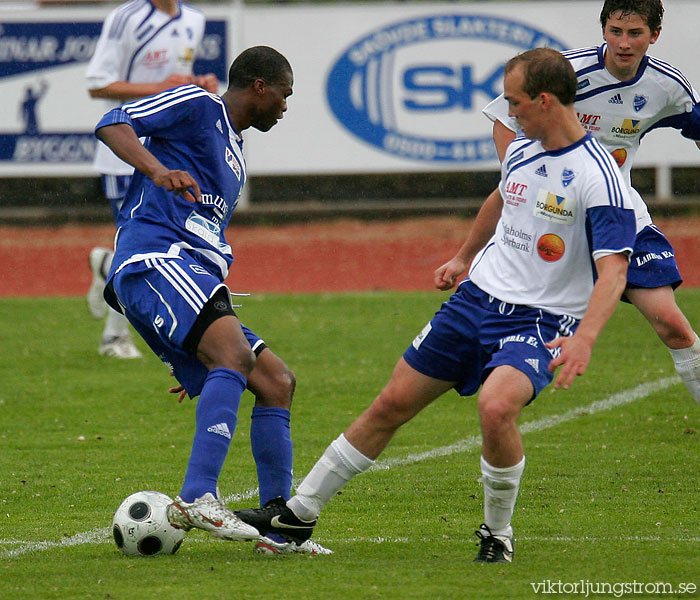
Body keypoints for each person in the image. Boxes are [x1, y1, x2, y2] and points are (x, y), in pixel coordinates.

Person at [234, 48, 637, 563]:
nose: (507, 113)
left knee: (496, 407)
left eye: (514, 102)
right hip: (474, 302)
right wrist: (464, 256)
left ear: (543, 100)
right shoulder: (523, 149)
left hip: (541, 319)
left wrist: (584, 339)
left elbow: (615, 271)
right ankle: (299, 516)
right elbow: (502, 198)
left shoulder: (598, 176)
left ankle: (497, 534)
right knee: (390, 405)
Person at [95, 45, 329, 554]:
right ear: (260, 87)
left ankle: (276, 527)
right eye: (285, 96)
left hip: (193, 275)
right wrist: (156, 171)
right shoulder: (200, 106)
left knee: (276, 381)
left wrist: (193, 350)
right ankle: (199, 495)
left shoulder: (236, 150)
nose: (286, 108)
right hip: (158, 258)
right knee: (234, 357)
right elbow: (113, 122)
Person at [482, 0, 700, 405]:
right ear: (603, 30)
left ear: (654, 35)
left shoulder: (667, 86)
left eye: (635, 33)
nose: (624, 43)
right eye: (615, 31)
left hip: (616, 210)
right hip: (552, 215)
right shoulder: (567, 72)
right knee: (499, 307)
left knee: (673, 324)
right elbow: (503, 119)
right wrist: (520, 179)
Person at [85, 0, 218, 359]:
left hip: (169, 154)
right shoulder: (126, 17)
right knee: (135, 246)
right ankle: (114, 338)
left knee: (165, 243)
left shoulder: (194, 18)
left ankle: (104, 265)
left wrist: (197, 86)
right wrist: (158, 87)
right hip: (125, 153)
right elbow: (98, 85)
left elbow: (176, 88)